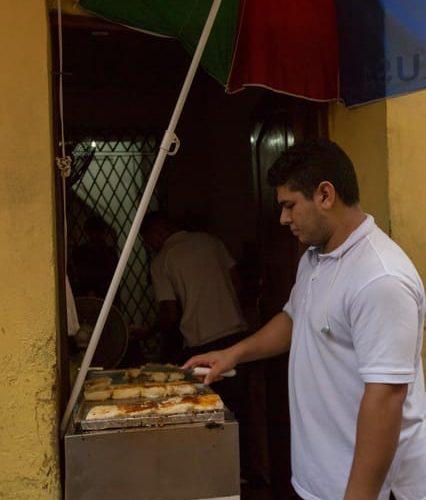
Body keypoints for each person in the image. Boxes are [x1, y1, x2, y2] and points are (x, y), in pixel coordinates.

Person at [184, 139, 426, 500]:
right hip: (319, 481)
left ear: (325, 195)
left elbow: (386, 397)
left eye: (289, 205)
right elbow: (295, 319)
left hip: (369, 490)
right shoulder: (315, 258)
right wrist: (233, 354)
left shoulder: (380, 278)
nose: (283, 218)